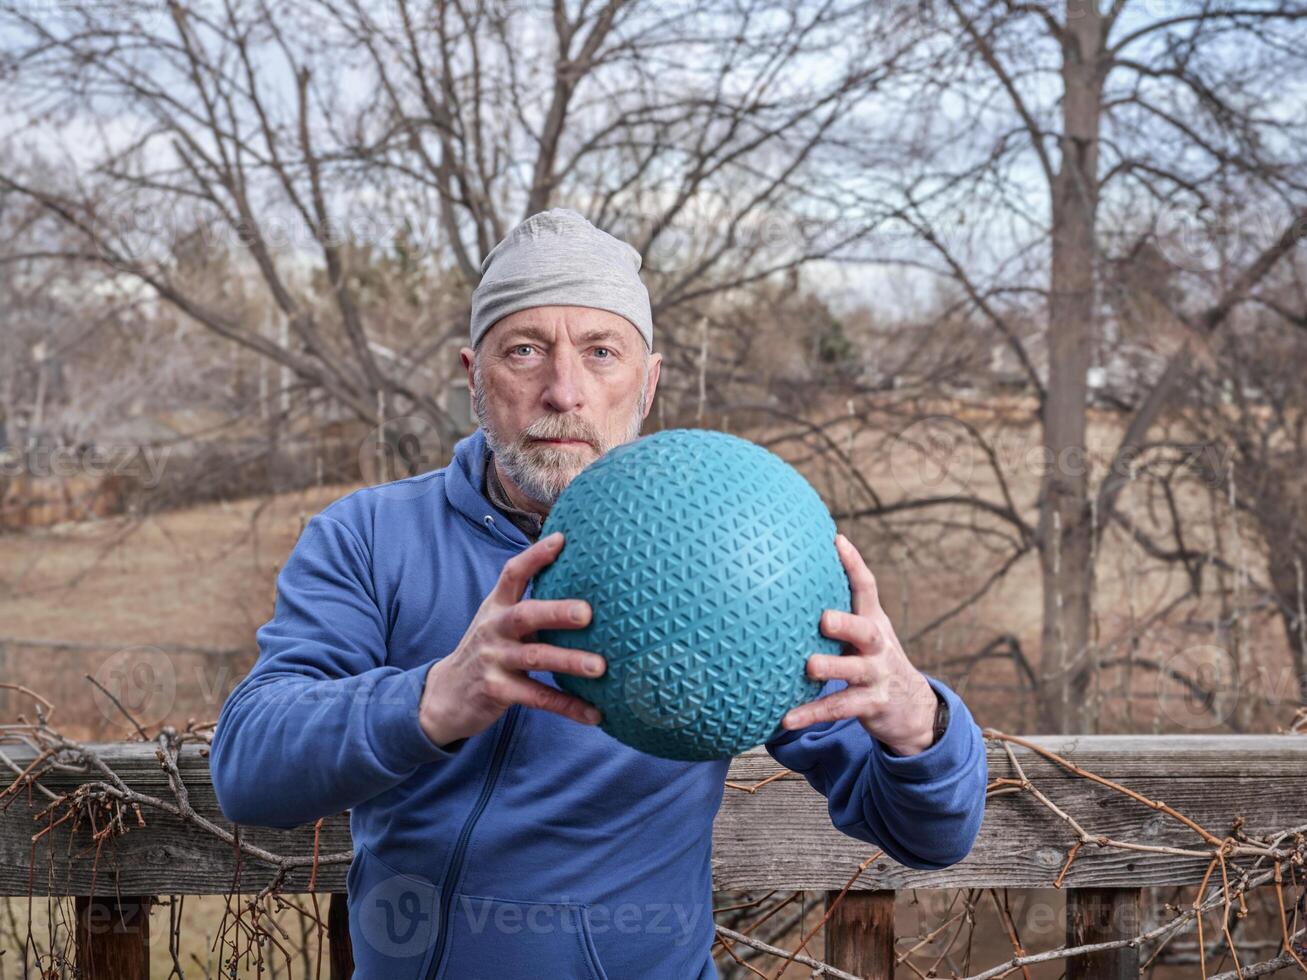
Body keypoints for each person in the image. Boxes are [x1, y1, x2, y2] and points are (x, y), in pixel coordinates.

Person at [209, 208, 988, 980]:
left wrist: (919, 723)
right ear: (472, 376)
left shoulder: (737, 553)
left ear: (646, 385)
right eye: (524, 350)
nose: (564, 391)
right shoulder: (368, 537)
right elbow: (248, 769)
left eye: (601, 352)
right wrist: (433, 697)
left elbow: (932, 835)